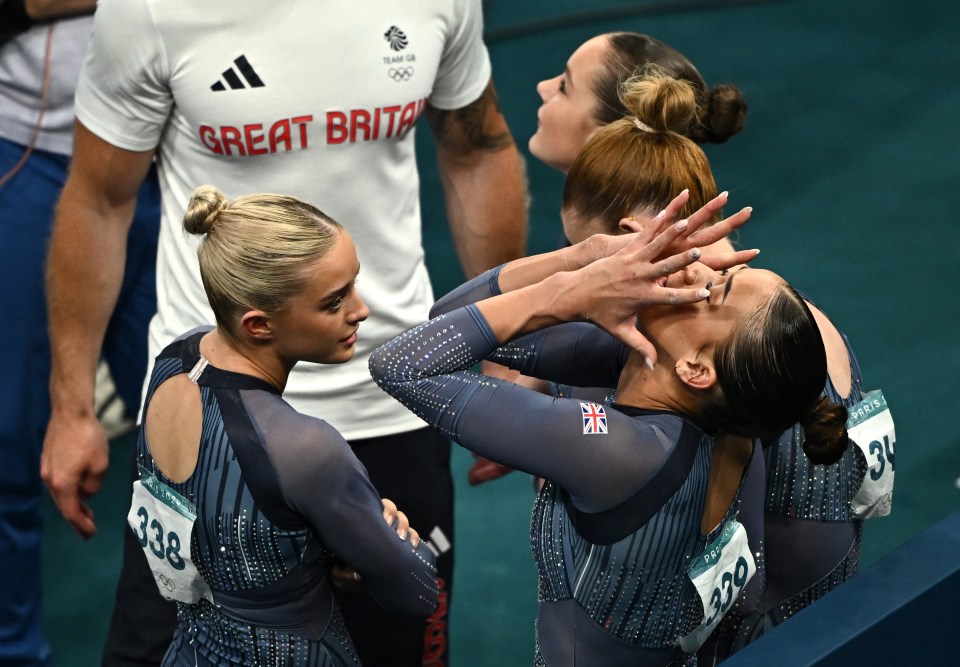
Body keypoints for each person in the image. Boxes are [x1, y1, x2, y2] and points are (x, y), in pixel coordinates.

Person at [40, 2, 526, 666]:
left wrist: (501, 350)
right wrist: (71, 404)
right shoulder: (149, 9)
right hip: (207, 412)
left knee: (398, 642)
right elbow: (100, 197)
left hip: (390, 398)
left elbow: (477, 148)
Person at [369, 178, 849, 665]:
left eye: (712, 292)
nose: (695, 271)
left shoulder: (621, 453)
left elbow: (402, 364)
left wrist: (573, 288)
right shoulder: (686, 389)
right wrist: (589, 255)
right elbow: (451, 316)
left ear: (697, 369)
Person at [129, 185, 438, 666]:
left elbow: (225, 545)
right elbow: (417, 594)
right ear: (257, 325)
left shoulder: (172, 361)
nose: (361, 309)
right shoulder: (304, 448)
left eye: (354, 284)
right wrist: (400, 542)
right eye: (334, 302)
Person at [467, 32, 748, 485]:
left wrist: (529, 425)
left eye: (563, 86)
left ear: (605, 133)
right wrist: (530, 393)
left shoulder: (693, 276)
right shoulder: (603, 222)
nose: (541, 87)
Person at [0, 2, 160, 664]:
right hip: (31, 151)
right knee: (9, 437)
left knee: (198, 425)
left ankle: (216, 629)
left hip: (169, 150)